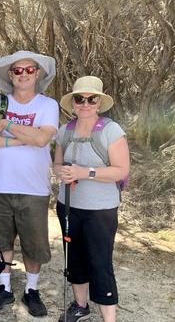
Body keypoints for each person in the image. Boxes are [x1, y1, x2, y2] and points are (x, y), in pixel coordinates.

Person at [0, 51, 59, 316]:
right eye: (17, 71)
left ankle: (32, 289)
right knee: (0, 241)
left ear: (38, 74)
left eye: (29, 70)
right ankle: (5, 287)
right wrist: (19, 139)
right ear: (10, 75)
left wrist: (6, 125)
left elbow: (43, 139)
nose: (23, 75)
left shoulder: (48, 105)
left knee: (34, 244)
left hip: (34, 189)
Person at [53, 76, 129, 322]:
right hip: (69, 207)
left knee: (100, 261)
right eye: (79, 99)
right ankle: (80, 305)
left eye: (91, 99)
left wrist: (84, 173)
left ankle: (109, 317)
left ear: (99, 102)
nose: (85, 103)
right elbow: (56, 164)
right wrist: (62, 172)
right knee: (73, 258)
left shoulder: (111, 130)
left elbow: (121, 170)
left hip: (101, 211)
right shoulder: (65, 131)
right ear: (73, 103)